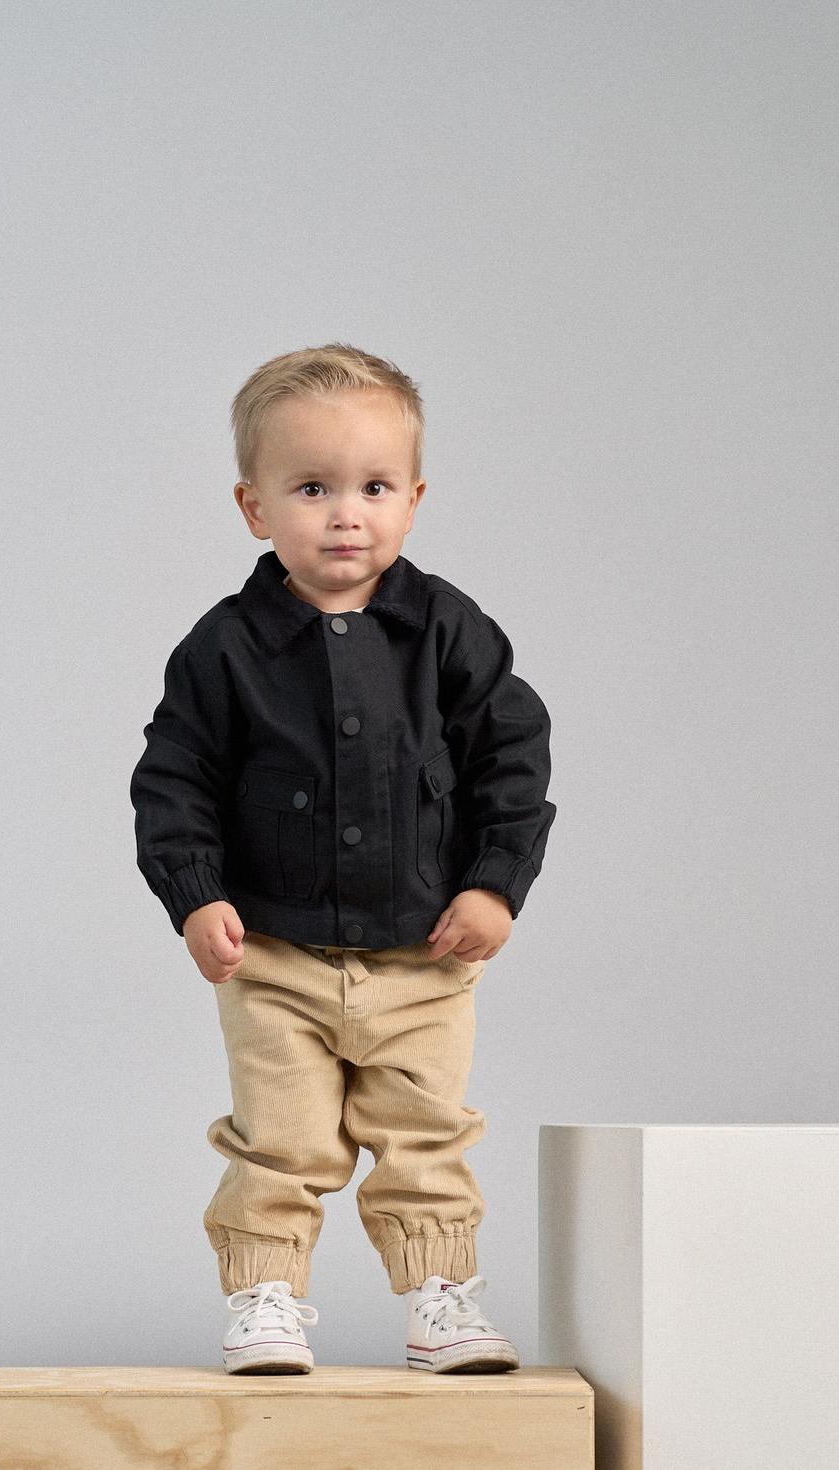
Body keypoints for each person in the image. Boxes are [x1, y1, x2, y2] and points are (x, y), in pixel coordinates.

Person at [129, 342, 556, 1375]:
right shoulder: (224, 647)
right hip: (274, 954)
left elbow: (511, 758)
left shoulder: (449, 630)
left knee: (426, 1132)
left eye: (373, 487)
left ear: (414, 499)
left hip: (423, 952)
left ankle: (439, 1301)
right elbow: (174, 778)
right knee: (279, 1138)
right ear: (254, 507)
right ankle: (265, 1299)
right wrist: (195, 897)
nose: (345, 515)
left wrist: (494, 885)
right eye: (312, 488)